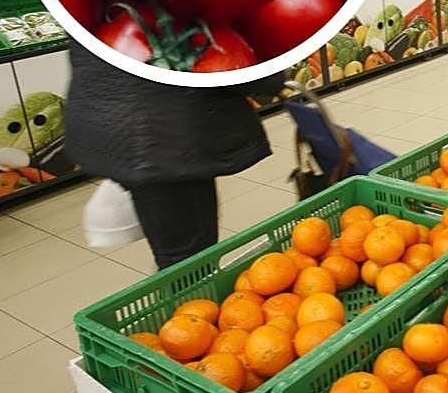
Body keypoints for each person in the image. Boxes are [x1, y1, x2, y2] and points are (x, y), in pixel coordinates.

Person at [65, 42, 285, 270]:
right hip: (163, 135)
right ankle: (185, 300)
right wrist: (271, 76)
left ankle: (179, 288)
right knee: (187, 260)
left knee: (174, 243)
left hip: (109, 118)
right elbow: (228, 58)